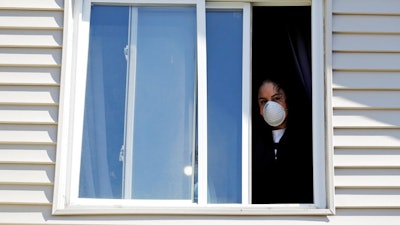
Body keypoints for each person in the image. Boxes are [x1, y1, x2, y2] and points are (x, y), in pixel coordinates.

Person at [252, 78, 313, 204]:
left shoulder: (306, 140)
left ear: (288, 101)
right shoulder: (252, 143)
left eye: (276, 99)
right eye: (264, 102)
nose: (270, 107)